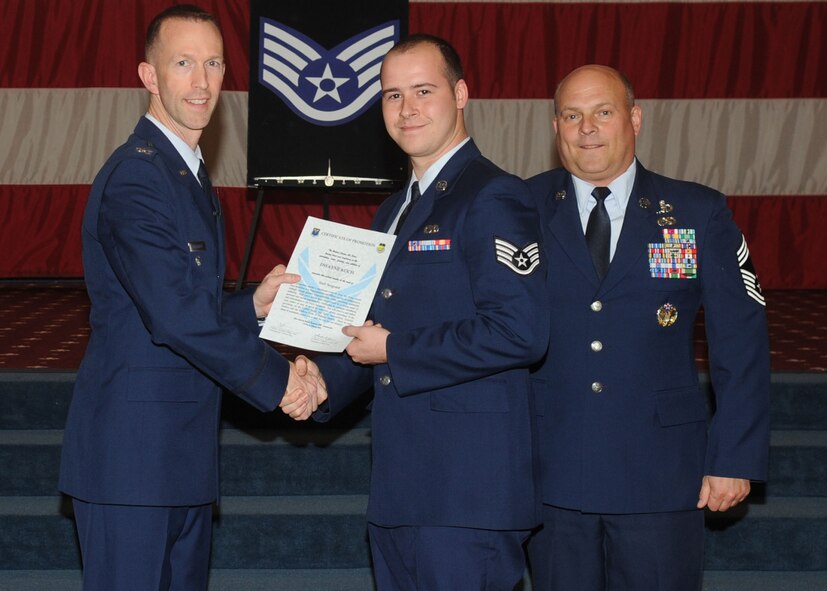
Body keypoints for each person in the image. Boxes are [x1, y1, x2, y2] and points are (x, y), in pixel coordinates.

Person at [58, 5, 324, 590]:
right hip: (131, 464)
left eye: (213, 64)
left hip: (179, 458)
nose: (202, 82)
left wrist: (251, 305)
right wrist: (279, 381)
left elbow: (168, 303)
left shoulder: (186, 173)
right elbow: (175, 317)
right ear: (148, 76)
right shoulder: (138, 176)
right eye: (183, 64)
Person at [299, 34, 549, 590]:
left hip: (468, 492)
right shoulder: (393, 210)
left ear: (460, 94)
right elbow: (370, 330)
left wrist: (393, 348)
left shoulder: (493, 195)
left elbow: (520, 331)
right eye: (392, 95)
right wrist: (322, 382)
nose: (407, 109)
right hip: (402, 485)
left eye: (423, 91)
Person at [525, 64, 771, 591]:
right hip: (551, 465)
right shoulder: (519, 208)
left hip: (661, 472)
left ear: (633, 118)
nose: (586, 128)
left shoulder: (696, 212)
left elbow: (741, 341)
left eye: (603, 112)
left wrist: (734, 455)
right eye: (572, 115)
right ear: (556, 127)